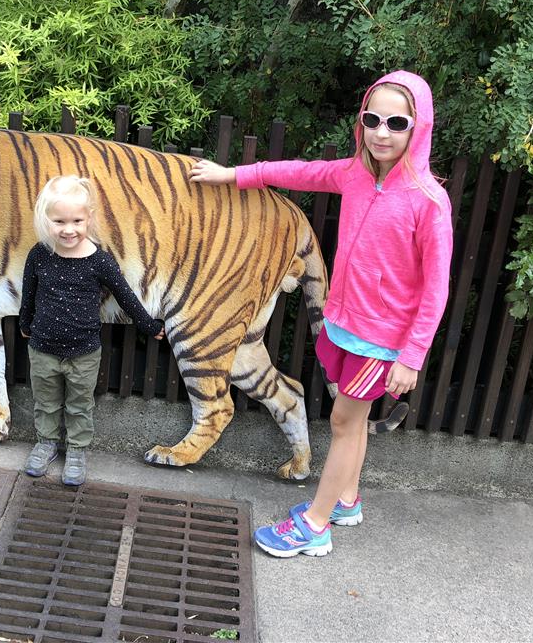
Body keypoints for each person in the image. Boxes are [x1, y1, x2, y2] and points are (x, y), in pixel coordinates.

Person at [189, 71, 453, 557]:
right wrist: (231, 176)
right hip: (343, 325)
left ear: (418, 128)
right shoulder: (354, 174)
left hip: (381, 341)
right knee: (353, 422)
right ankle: (346, 501)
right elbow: (296, 172)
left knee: (343, 424)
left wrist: (411, 356)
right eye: (372, 119)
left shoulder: (430, 202)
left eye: (396, 123)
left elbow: (436, 289)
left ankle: (314, 525)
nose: (381, 132)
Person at [19, 175, 166, 486]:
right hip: (42, 348)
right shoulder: (39, 255)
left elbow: (125, 295)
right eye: (59, 221)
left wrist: (148, 325)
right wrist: (25, 323)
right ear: (46, 220)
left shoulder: (99, 261)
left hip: (84, 353)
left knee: (79, 405)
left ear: (89, 218)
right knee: (45, 402)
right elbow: (28, 293)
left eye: (77, 221)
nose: (68, 229)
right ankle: (46, 443)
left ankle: (76, 450)